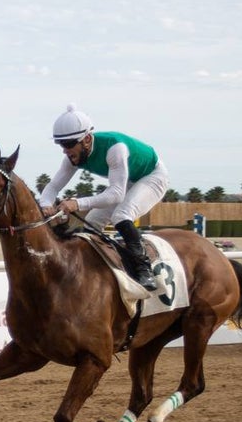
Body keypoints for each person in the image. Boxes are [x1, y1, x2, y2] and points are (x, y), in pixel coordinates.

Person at [38, 104, 169, 291]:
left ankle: (144, 269)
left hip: (152, 177)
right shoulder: (72, 157)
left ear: (87, 139)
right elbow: (52, 187)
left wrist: (77, 203)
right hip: (128, 181)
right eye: (61, 144)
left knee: (121, 215)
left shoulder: (115, 148)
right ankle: (95, 270)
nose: (65, 151)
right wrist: (45, 205)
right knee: (92, 222)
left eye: (68, 144)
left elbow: (116, 194)